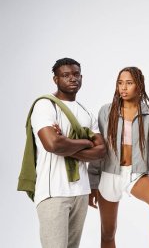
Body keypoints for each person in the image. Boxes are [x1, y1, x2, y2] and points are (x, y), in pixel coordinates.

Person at [17, 57, 106, 248]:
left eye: (76, 74)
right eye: (65, 75)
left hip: (81, 191)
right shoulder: (45, 105)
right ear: (55, 79)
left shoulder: (86, 112)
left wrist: (67, 143)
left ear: (81, 77)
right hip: (53, 192)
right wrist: (86, 142)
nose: (72, 79)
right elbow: (53, 145)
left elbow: (101, 151)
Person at [88, 67, 149, 248]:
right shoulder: (106, 111)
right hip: (109, 174)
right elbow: (97, 146)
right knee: (108, 233)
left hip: (136, 174)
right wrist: (92, 183)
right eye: (120, 83)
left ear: (139, 86)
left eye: (129, 83)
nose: (123, 88)